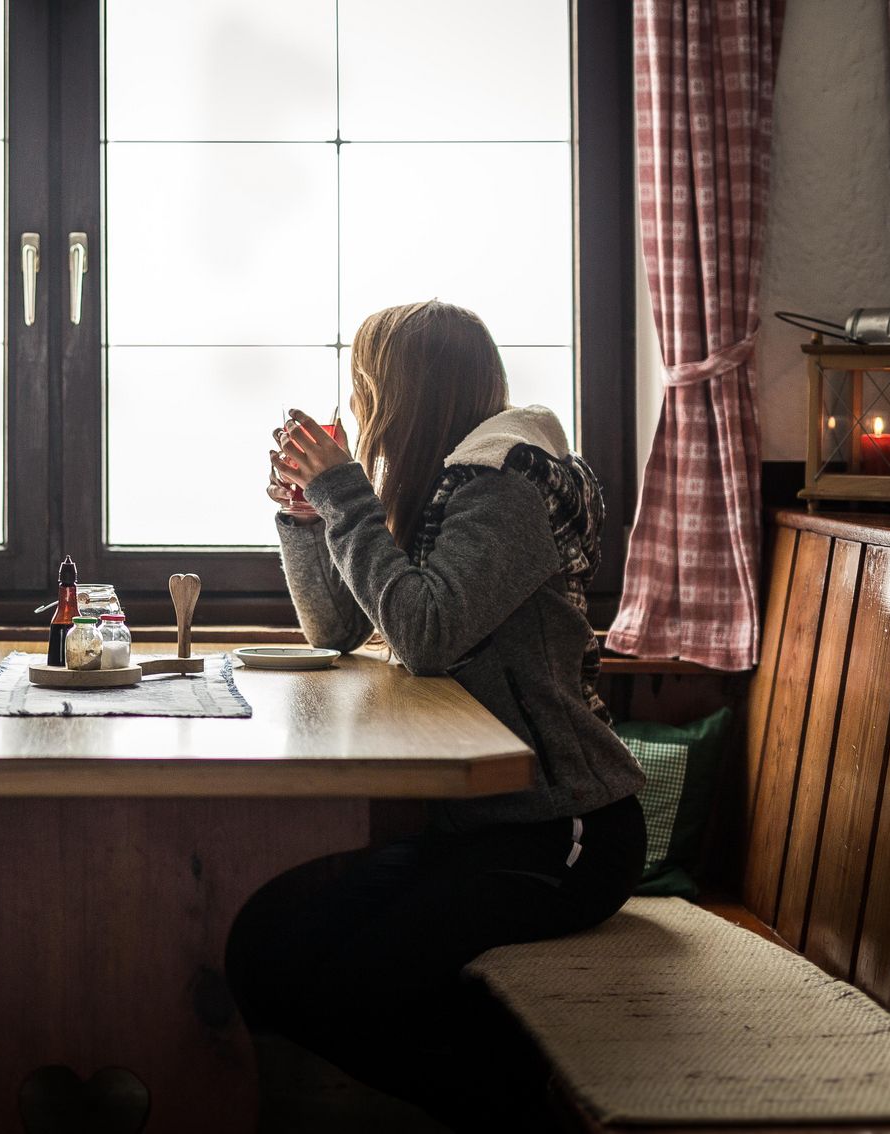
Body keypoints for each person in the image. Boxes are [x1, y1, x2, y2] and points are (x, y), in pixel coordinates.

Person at [227, 300, 646, 1130]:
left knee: (347, 991)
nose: (360, 409)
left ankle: (541, 1107)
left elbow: (423, 633)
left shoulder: (511, 484)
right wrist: (309, 519)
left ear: (403, 393)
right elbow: (340, 627)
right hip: (479, 827)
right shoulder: (448, 486)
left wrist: (344, 491)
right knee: (264, 952)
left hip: (567, 829)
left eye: (366, 386)